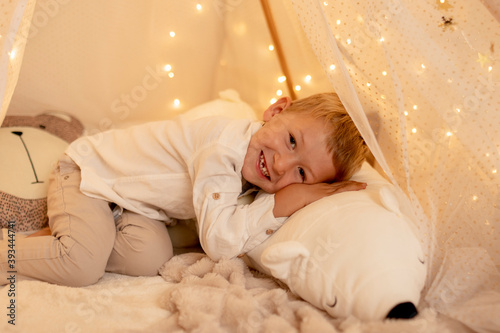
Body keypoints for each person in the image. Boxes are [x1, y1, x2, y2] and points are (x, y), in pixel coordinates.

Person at [0, 92, 368, 287]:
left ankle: (63, 239)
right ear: (275, 110)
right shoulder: (224, 148)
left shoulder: (255, 168)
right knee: (82, 266)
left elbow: (234, 224)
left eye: (302, 173)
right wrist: (288, 200)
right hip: (89, 175)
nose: (281, 165)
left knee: (149, 258)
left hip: (130, 204)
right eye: (291, 140)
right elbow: (220, 243)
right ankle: (39, 250)